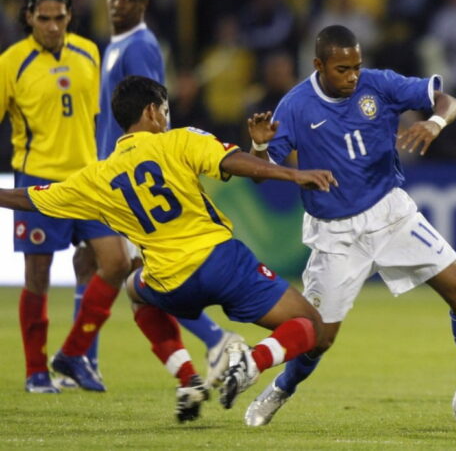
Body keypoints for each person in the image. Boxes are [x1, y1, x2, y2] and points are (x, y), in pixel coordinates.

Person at [245, 25, 456, 430]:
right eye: (342, 69)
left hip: (391, 213)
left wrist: (435, 122)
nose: (352, 76)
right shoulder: (294, 106)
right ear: (318, 65)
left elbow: (447, 101)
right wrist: (259, 147)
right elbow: (262, 173)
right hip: (336, 233)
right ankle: (279, 390)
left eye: (356, 67)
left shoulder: (378, 84)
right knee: (320, 337)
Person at [0, 74, 338, 421]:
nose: (167, 118)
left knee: (134, 290)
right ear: (151, 112)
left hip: (169, 282)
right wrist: (292, 174)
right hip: (221, 264)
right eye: (164, 110)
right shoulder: (179, 140)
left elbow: (31, 198)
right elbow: (234, 163)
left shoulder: (97, 177)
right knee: (310, 326)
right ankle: (254, 361)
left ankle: (187, 378)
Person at [69, 0, 242, 387]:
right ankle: (81, 360)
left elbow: (154, 111)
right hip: (110, 174)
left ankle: (216, 341)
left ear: (144, 4)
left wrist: (159, 169)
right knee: (91, 262)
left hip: (129, 180)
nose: (118, 4)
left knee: (136, 270)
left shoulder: (141, 46)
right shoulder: (114, 46)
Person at [0, 0, 130, 394]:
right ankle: (36, 371)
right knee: (37, 275)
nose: (53, 27)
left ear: (70, 16)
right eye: (44, 19)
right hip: (36, 179)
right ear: (29, 19)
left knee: (114, 263)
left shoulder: (89, 53)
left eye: (59, 18)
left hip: (87, 179)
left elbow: (98, 118)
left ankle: (74, 356)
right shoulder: (11, 63)